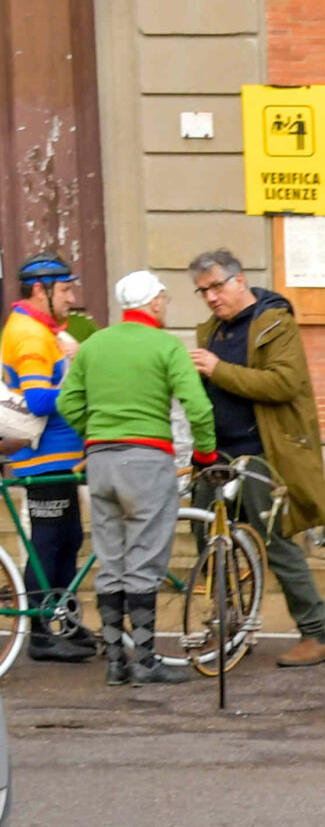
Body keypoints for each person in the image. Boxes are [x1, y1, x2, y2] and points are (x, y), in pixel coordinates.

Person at [56, 271, 215, 686]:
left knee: (111, 561)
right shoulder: (166, 345)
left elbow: (66, 400)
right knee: (145, 562)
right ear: (155, 303)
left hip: (100, 462)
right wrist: (205, 454)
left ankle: (114, 661)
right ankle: (144, 659)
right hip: (147, 460)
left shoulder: (94, 345)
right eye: (163, 298)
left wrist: (93, 432)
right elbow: (197, 406)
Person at [187, 249, 325, 668]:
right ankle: (230, 624)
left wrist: (217, 370)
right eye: (203, 291)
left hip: (261, 454)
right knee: (209, 541)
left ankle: (315, 633)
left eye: (217, 286)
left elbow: (284, 383)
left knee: (276, 542)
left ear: (240, 280)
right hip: (215, 456)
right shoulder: (210, 331)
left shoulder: (274, 323)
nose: (211, 297)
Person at [3, 253, 97, 661]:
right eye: (65, 290)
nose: (72, 299)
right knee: (48, 543)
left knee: (68, 539)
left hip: (59, 460)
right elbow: (40, 400)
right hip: (43, 460)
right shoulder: (30, 336)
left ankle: (64, 619)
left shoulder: (41, 330)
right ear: (39, 290)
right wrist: (82, 371)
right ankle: (41, 634)